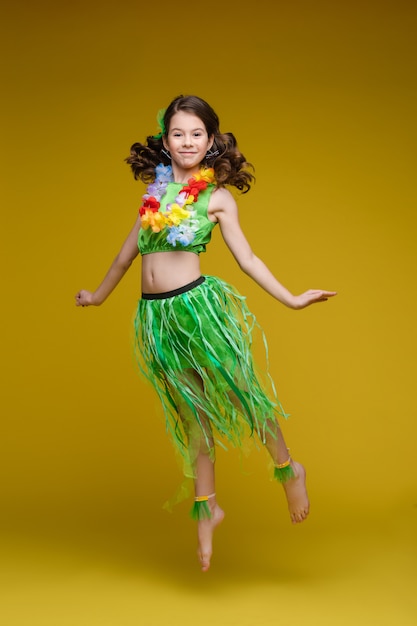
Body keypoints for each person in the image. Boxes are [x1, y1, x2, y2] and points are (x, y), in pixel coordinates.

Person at [75, 95, 336, 572]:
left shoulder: (215, 198)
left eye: (197, 134)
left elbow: (248, 260)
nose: (188, 141)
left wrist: (293, 298)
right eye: (178, 133)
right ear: (166, 140)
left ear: (211, 141)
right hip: (157, 320)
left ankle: (288, 468)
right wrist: (96, 295)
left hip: (197, 312)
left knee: (244, 396)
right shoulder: (153, 196)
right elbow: (124, 258)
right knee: (193, 419)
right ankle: (208, 507)